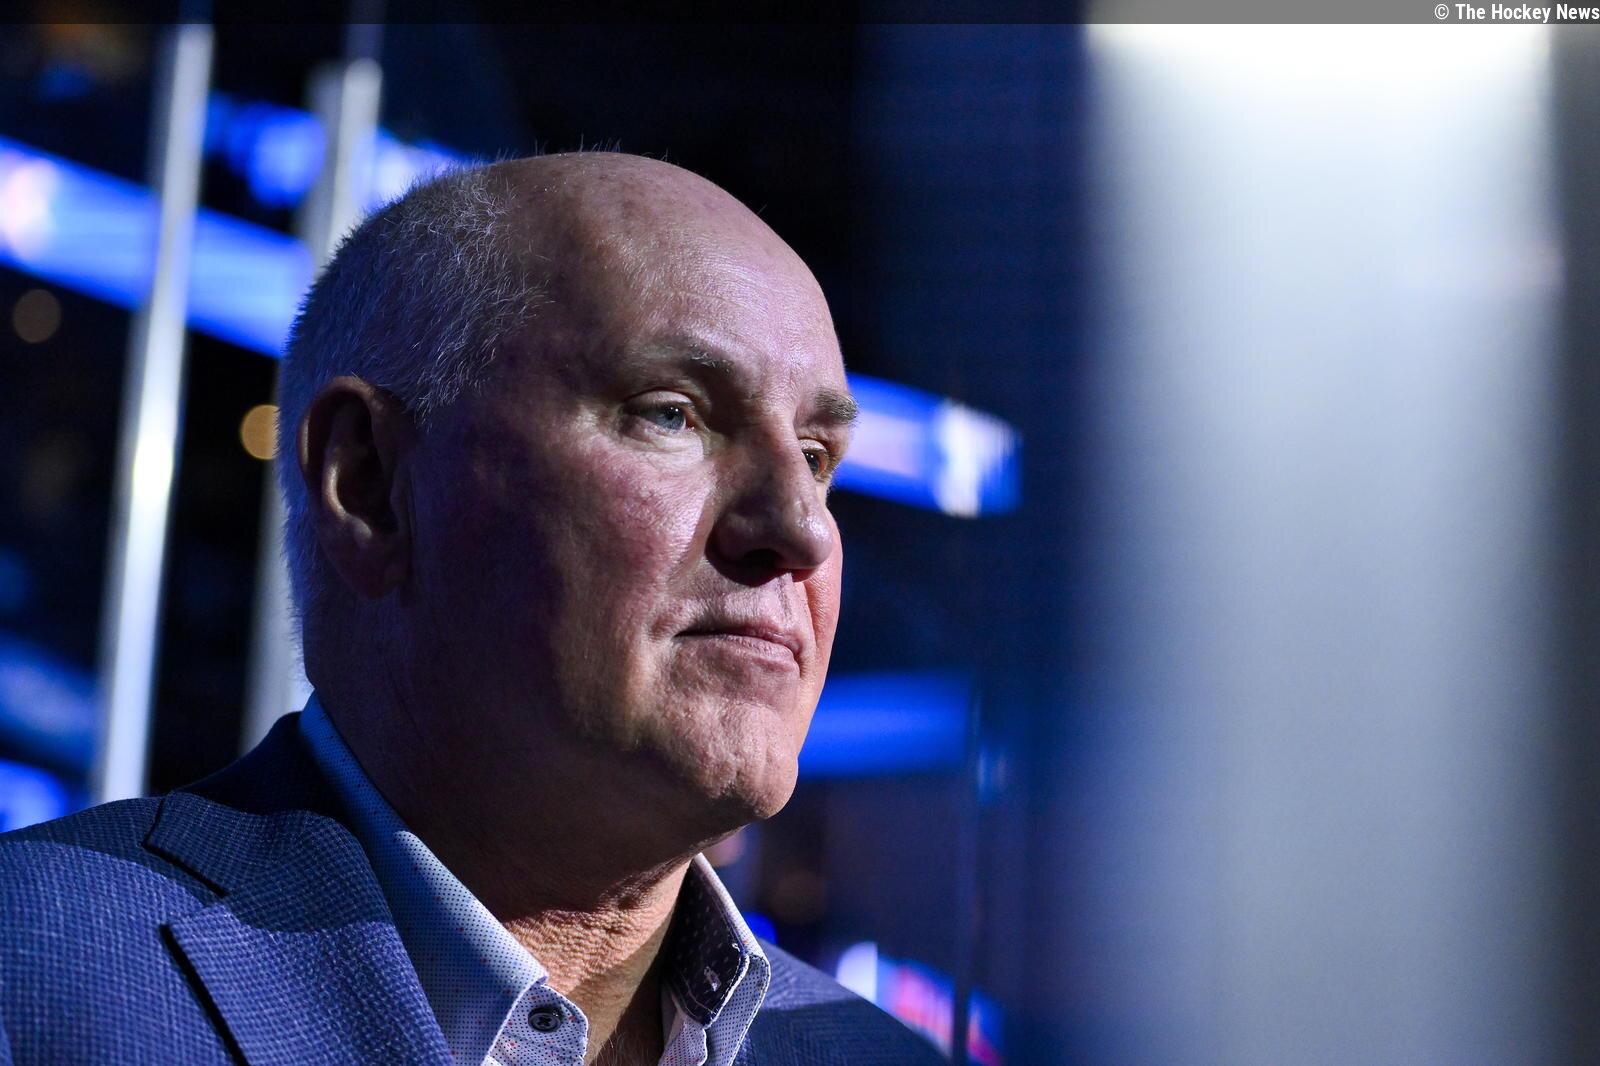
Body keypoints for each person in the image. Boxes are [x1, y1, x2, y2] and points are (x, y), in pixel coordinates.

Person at [0, 154, 945, 1066]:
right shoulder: (32, 977)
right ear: (370, 483)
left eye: (817, 458)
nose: (800, 530)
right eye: (672, 413)